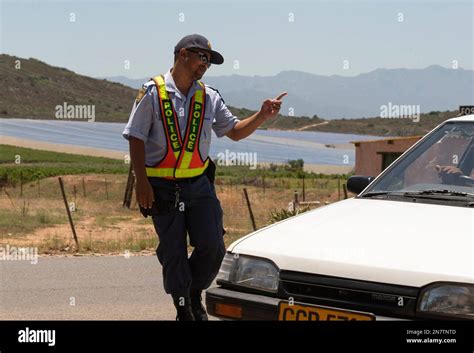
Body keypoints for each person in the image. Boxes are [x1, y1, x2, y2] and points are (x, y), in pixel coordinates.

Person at [122, 34, 287, 320]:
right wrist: (142, 182)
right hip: (161, 186)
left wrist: (261, 116)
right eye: (202, 58)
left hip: (199, 186)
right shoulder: (152, 92)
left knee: (213, 247)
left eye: (209, 61)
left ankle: (191, 291)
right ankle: (184, 307)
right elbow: (135, 138)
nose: (206, 65)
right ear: (183, 54)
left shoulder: (208, 96)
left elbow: (234, 131)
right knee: (174, 251)